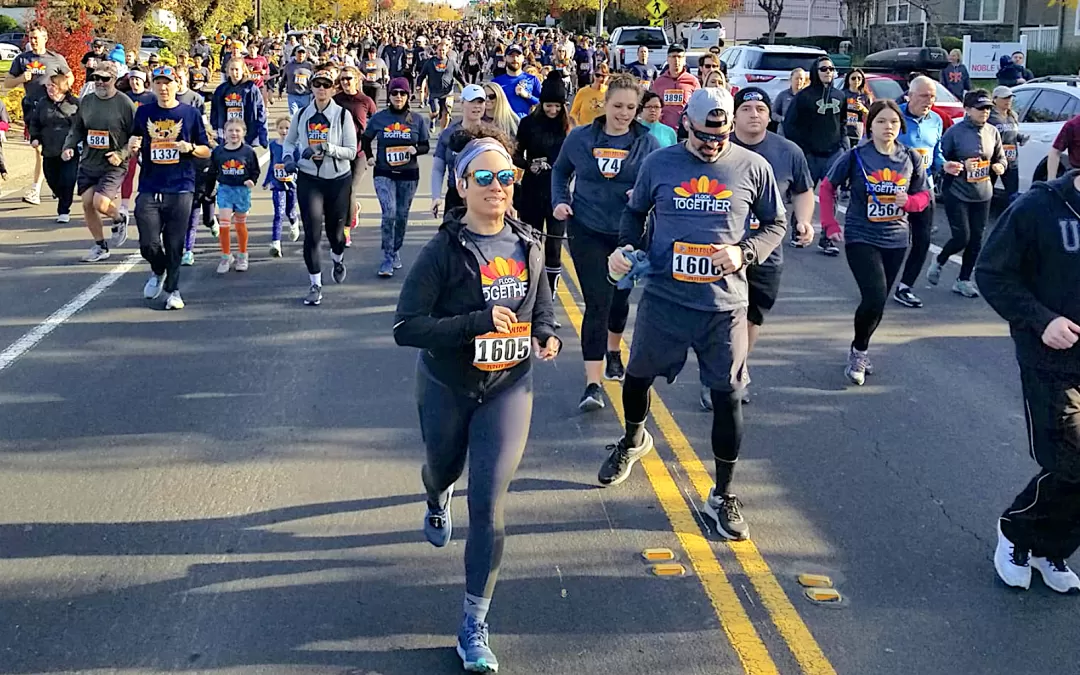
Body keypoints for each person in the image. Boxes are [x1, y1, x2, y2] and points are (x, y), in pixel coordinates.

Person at [393, 137, 561, 675]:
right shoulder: (443, 250)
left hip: (508, 388)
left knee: (488, 503)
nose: (497, 188)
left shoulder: (529, 244)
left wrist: (545, 334)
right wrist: (474, 324)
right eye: (483, 179)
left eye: (505, 178)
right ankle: (435, 493)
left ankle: (473, 623)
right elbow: (405, 328)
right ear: (462, 185)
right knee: (443, 468)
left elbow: (542, 308)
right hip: (447, 384)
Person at [602, 88, 786, 543]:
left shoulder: (752, 167)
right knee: (637, 378)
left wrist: (744, 252)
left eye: (720, 136)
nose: (712, 145)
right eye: (704, 135)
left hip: (723, 307)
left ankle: (723, 493)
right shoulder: (659, 165)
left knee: (727, 396)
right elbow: (634, 213)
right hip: (666, 297)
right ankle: (633, 439)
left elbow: (776, 225)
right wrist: (627, 250)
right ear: (686, 123)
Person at [976, 162, 1080, 596]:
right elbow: (992, 273)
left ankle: (1049, 546)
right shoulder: (1039, 207)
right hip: (1053, 359)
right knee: (1072, 458)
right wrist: (1042, 320)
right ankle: (1017, 532)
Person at [700, 87, 814, 409]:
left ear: (769, 115)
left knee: (750, 319)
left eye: (760, 109)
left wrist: (804, 222)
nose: (754, 114)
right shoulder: (716, 147)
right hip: (721, 250)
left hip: (765, 252)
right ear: (733, 116)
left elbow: (804, 191)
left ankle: (736, 370)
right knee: (721, 317)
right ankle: (716, 379)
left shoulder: (788, 151)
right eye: (746, 108)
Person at [552, 73, 660, 411]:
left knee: (618, 300)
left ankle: (614, 350)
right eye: (617, 106)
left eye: (631, 107)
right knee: (597, 302)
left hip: (628, 233)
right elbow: (560, 171)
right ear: (605, 104)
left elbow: (662, 184)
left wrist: (645, 197)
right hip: (587, 229)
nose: (624, 113)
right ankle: (593, 384)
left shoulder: (648, 144)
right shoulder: (581, 138)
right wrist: (559, 200)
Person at [818, 100, 930, 385]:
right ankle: (859, 353)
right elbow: (827, 188)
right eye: (881, 121)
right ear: (871, 126)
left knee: (877, 305)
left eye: (893, 122)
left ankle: (860, 346)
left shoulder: (910, 158)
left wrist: (912, 202)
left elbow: (925, 195)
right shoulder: (856, 156)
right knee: (875, 296)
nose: (887, 127)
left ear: (900, 126)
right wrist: (830, 224)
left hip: (896, 238)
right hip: (861, 235)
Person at [127, 65, 212, 310]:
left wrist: (191, 149)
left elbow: (206, 150)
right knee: (148, 242)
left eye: (168, 83)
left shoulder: (190, 113)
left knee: (175, 242)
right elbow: (135, 140)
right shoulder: (144, 113)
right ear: (152, 86)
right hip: (150, 185)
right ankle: (158, 269)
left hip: (181, 185)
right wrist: (132, 146)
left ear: (177, 85)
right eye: (158, 83)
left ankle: (173, 291)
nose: (163, 88)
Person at [284, 65, 358, 306]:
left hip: (337, 180)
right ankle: (315, 284)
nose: (322, 89)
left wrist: (326, 148)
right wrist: (287, 159)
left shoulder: (343, 115)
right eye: (317, 85)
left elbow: (350, 152)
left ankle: (338, 258)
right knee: (312, 233)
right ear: (311, 87)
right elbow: (289, 141)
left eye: (327, 85)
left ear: (333, 88)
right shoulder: (302, 114)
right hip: (309, 179)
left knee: (335, 235)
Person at [927, 89, 1005, 299]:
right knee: (962, 236)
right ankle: (940, 259)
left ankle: (963, 280)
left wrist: (1000, 166)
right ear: (967, 110)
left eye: (988, 108)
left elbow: (1001, 158)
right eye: (980, 109)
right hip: (957, 191)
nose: (985, 113)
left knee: (977, 239)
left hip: (983, 191)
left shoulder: (992, 132)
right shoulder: (954, 132)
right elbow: (940, 161)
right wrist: (961, 165)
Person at [62, 60, 135, 263]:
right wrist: (68, 146)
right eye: (96, 78)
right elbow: (77, 128)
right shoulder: (87, 101)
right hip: (89, 161)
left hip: (113, 164)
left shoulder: (124, 104)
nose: (100, 83)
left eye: (105, 79)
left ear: (114, 80)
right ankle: (100, 246)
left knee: (100, 203)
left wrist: (121, 154)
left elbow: (135, 135)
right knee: (87, 204)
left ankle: (119, 218)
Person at [362, 77, 430, 278]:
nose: (398, 97)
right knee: (389, 213)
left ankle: (395, 248)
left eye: (402, 93)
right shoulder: (380, 118)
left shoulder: (417, 120)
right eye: (394, 93)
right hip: (384, 173)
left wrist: (415, 149)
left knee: (401, 216)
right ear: (389, 96)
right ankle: (387, 257)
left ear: (408, 96)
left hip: (409, 175)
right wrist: (370, 157)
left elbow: (425, 145)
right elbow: (366, 139)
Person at [515, 72, 570, 305]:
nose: (552, 111)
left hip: (558, 194)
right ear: (541, 103)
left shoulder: (568, 127)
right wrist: (530, 165)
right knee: (531, 245)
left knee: (554, 248)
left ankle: (550, 299)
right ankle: (532, 295)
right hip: (532, 192)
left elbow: (577, 159)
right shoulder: (528, 124)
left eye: (557, 106)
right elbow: (515, 154)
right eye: (548, 105)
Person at [784, 55, 848, 256]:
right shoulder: (804, 97)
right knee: (804, 192)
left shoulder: (840, 96)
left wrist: (842, 144)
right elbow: (789, 124)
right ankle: (799, 231)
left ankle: (827, 238)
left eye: (831, 69)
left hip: (833, 153)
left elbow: (843, 121)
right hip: (809, 154)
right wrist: (802, 148)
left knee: (832, 195)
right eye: (823, 69)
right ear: (815, 72)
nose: (828, 72)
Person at [4, 23, 73, 207]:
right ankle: (39, 188)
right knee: (39, 149)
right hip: (32, 109)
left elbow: (70, 77)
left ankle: (51, 184)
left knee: (51, 149)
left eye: (36, 37)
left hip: (53, 109)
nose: (33, 41)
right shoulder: (22, 59)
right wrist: (21, 79)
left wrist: (62, 91)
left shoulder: (55, 58)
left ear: (45, 38)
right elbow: (7, 83)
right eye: (30, 37)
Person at [893, 76, 945, 309]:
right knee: (894, 241)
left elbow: (936, 151)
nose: (929, 101)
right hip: (894, 190)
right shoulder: (894, 117)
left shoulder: (935, 120)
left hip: (925, 189)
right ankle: (880, 281)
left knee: (922, 241)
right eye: (924, 96)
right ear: (910, 95)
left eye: (932, 97)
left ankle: (905, 286)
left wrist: (945, 165)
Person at [208, 118, 261, 274]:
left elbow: (255, 170)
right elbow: (212, 171)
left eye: (237, 130)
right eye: (230, 130)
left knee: (240, 224)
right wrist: (208, 191)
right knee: (224, 223)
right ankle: (225, 256)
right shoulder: (218, 152)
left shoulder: (248, 152)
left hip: (241, 190)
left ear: (243, 133)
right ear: (224, 133)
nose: (234, 134)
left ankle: (243, 255)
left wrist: (252, 180)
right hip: (225, 189)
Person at [334, 65, 377, 248]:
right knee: (339, 192)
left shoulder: (365, 101)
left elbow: (377, 124)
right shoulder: (335, 100)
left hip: (359, 153)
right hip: (339, 152)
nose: (345, 82)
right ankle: (352, 211)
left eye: (349, 78)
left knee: (350, 190)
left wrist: (373, 153)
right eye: (342, 79)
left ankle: (346, 231)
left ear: (357, 80)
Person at [28, 71, 79, 224]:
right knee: (51, 178)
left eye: (53, 86)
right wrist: (35, 137)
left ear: (62, 87)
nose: (49, 88)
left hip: (68, 149)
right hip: (49, 149)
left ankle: (64, 210)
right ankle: (59, 193)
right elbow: (35, 122)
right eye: (48, 85)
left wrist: (74, 144)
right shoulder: (43, 103)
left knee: (68, 180)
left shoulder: (74, 103)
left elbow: (80, 126)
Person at [432, 83, 488, 217]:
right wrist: (436, 196)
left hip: (484, 195)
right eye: (472, 102)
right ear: (462, 103)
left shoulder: (491, 133)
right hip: (455, 196)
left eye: (480, 102)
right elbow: (438, 168)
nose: (476, 106)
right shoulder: (448, 134)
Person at [211, 58, 269, 149]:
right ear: (228, 71)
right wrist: (215, 131)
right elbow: (214, 112)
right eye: (232, 69)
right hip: (227, 134)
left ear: (243, 70)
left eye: (237, 69)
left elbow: (261, 112)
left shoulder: (251, 88)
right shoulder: (221, 90)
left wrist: (263, 136)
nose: (234, 73)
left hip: (247, 133)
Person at [263, 120, 299, 255]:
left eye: (287, 128)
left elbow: (299, 163)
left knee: (290, 211)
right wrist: (267, 180)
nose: (284, 131)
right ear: (276, 129)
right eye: (281, 128)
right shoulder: (273, 145)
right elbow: (272, 163)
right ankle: (276, 243)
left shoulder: (296, 146)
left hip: (291, 184)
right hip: (277, 184)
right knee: (278, 213)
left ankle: (294, 222)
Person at [989, 85, 1026, 205]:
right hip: (994, 160)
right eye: (1005, 98)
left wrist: (1020, 138)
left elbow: (1011, 133)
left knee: (1013, 193)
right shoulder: (989, 116)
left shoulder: (1012, 115)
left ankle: (1012, 219)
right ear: (995, 99)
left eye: (1010, 98)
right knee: (987, 191)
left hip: (1011, 160)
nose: (1008, 101)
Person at [416, 39, 463, 131]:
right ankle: (432, 119)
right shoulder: (430, 62)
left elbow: (459, 75)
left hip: (448, 93)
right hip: (434, 92)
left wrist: (465, 85)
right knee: (436, 112)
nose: (441, 52)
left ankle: (443, 131)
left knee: (446, 112)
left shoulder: (451, 62)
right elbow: (422, 75)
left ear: (447, 51)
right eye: (440, 50)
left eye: (443, 50)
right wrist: (418, 85)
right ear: (436, 50)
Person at [650, 45, 699, 131]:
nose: (676, 60)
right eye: (673, 57)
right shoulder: (659, 82)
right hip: (663, 129)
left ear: (684, 59)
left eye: (679, 57)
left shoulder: (693, 81)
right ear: (668, 59)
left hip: (685, 131)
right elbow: (651, 104)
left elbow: (699, 106)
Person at [492, 44, 541, 119]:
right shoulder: (496, 82)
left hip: (524, 126)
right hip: (503, 126)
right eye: (511, 56)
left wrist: (528, 96)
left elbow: (542, 103)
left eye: (518, 56)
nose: (515, 59)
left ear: (523, 58)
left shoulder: (532, 79)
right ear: (505, 58)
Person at [771, 68, 807, 134]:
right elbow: (773, 113)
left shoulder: (807, 96)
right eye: (796, 78)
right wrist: (782, 119)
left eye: (801, 79)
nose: (799, 81)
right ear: (791, 79)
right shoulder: (783, 95)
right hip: (784, 131)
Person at [841, 69, 870, 147]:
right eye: (853, 78)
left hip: (857, 131)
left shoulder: (865, 96)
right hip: (844, 130)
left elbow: (870, 114)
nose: (856, 80)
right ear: (848, 79)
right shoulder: (842, 94)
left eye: (859, 78)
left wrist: (862, 108)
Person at [282, 46, 315, 115]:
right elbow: (284, 78)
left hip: (305, 95)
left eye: (303, 53)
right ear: (295, 53)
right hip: (292, 95)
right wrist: (280, 90)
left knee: (305, 115)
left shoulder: (309, 66)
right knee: (294, 115)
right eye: (299, 53)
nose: (301, 55)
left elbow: (313, 80)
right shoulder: (289, 66)